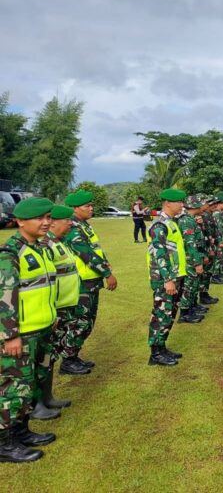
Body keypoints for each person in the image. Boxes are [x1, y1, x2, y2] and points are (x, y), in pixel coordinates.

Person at [0, 197, 58, 463]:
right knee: (13, 389)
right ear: (20, 221)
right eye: (39, 218)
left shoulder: (39, 248)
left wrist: (52, 315)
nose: (46, 222)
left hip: (41, 328)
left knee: (29, 386)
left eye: (48, 217)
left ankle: (21, 432)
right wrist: (10, 335)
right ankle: (4, 443)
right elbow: (4, 298)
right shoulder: (10, 253)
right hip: (20, 335)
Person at [61, 189, 118, 375]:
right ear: (76, 208)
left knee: (88, 321)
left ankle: (73, 355)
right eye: (88, 206)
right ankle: (67, 360)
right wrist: (107, 273)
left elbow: (95, 249)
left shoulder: (84, 225)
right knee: (80, 322)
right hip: (82, 282)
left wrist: (106, 262)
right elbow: (87, 255)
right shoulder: (73, 228)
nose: (91, 208)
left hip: (91, 280)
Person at [39, 205, 81, 417]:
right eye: (67, 220)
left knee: (52, 355)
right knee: (42, 358)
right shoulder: (46, 245)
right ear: (53, 222)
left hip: (64, 307)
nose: (71, 224)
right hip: (54, 310)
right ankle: (38, 403)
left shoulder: (57, 243)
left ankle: (47, 398)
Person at [146, 188, 188, 367]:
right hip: (165, 278)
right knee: (162, 314)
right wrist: (168, 279)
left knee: (169, 314)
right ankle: (155, 353)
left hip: (175, 275)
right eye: (179, 202)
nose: (182, 205)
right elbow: (159, 254)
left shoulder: (171, 222)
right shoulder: (159, 225)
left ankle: (161, 347)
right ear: (168, 203)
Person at [176, 196, 207, 325]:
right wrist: (197, 262)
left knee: (194, 284)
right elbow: (190, 243)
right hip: (190, 258)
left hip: (194, 256)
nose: (202, 207)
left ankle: (191, 307)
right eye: (199, 205)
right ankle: (184, 313)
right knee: (189, 285)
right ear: (194, 207)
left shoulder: (191, 219)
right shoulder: (186, 221)